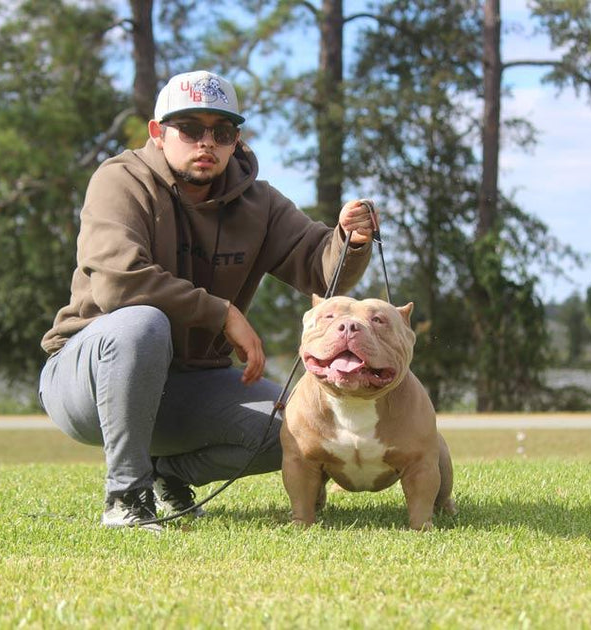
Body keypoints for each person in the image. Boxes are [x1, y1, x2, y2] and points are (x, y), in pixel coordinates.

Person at [38, 70, 377, 531]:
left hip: (191, 383)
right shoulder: (119, 180)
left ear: (236, 139)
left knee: (296, 430)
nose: (207, 142)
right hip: (88, 379)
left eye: (222, 131)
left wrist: (349, 240)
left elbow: (321, 268)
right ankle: (126, 495)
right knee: (141, 324)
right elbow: (119, 282)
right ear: (158, 133)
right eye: (190, 129)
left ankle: (166, 474)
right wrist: (221, 313)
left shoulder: (259, 202)